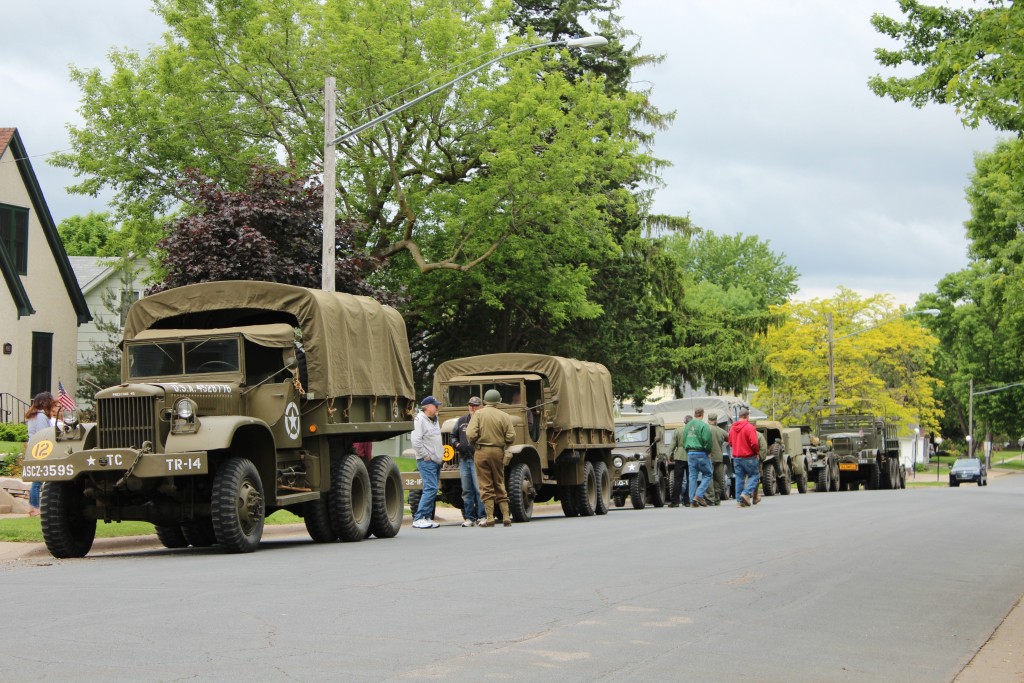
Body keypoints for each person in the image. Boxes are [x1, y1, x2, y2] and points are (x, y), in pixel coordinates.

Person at [467, 389, 515, 527]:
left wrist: (475, 443)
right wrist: (503, 442)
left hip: (481, 451)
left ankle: (489, 517)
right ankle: (506, 516)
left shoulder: (478, 414)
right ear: (498, 401)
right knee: (499, 482)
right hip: (498, 451)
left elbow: (470, 434)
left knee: (485, 484)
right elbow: (511, 436)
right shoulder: (504, 415)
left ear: (485, 401)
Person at [452, 396, 485, 527]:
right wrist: (457, 445)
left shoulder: (483, 421)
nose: (472, 407)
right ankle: (469, 517)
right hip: (464, 459)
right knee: (466, 490)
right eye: (470, 405)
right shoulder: (461, 421)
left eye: (475, 405)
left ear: (481, 407)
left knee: (479, 489)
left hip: (477, 458)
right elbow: (452, 435)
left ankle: (482, 516)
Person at [411, 395, 444, 529]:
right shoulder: (420, 420)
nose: (437, 407)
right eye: (435, 405)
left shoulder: (434, 420)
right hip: (427, 461)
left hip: (436, 460)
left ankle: (427, 517)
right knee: (430, 488)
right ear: (428, 407)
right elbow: (416, 441)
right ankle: (419, 518)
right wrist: (426, 456)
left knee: (432, 489)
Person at [24, 391, 55, 517]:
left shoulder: (33, 415)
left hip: (34, 449)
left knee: (36, 481)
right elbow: (44, 434)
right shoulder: (41, 417)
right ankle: (36, 508)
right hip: (41, 450)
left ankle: (32, 507)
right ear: (45, 402)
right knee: (38, 481)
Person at [728, 408, 761, 507]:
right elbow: (754, 442)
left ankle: (739, 501)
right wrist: (756, 452)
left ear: (739, 416)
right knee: (754, 476)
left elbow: (730, 442)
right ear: (747, 417)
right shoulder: (749, 427)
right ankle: (746, 494)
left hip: (737, 457)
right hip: (749, 457)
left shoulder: (732, 428)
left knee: (739, 479)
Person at [682, 407, 714, 507]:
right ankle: (699, 495)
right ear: (702, 414)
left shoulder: (687, 426)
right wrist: (708, 451)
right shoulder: (704, 425)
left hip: (690, 453)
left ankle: (692, 501)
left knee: (692, 477)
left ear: (694, 414)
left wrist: (688, 450)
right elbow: (707, 440)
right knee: (708, 474)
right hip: (701, 453)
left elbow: (684, 440)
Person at [705, 412, 729, 505]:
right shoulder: (720, 431)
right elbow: (730, 438)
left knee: (708, 477)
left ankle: (710, 498)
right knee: (718, 478)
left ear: (708, 420)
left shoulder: (705, 429)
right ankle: (717, 498)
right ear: (716, 420)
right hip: (719, 457)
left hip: (708, 457)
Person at [668, 416, 692, 507]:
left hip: (679, 456)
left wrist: (669, 454)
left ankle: (675, 501)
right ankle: (687, 500)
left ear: (684, 421)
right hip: (691, 455)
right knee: (691, 479)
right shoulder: (693, 431)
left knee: (678, 480)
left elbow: (673, 444)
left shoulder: (678, 430)